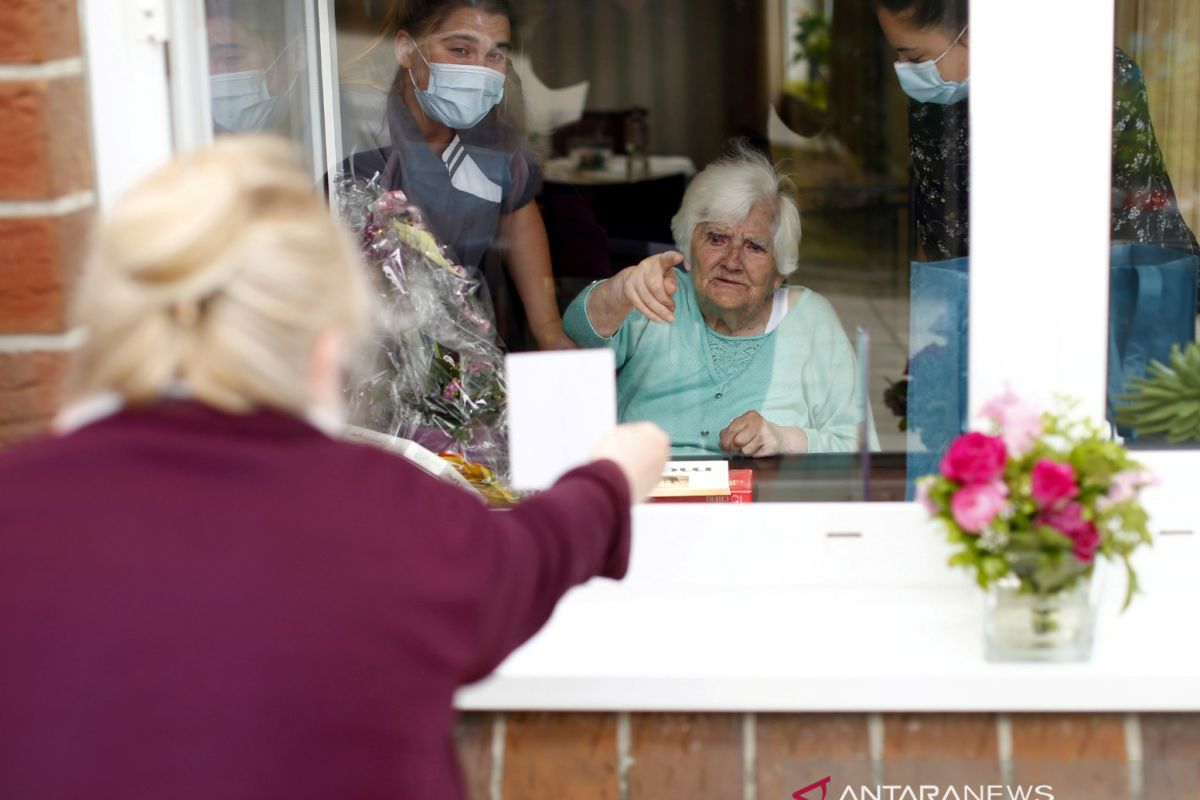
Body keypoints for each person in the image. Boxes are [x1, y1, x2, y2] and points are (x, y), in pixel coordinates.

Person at [0, 136, 668, 800]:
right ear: (325, 347)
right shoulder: (387, 514)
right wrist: (610, 480)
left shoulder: (18, 508)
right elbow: (528, 557)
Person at [563, 144, 880, 457]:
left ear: (778, 272)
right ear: (688, 247)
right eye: (717, 238)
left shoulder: (810, 320)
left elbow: (862, 451)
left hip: (754, 504)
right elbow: (575, 339)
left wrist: (784, 440)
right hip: (648, 493)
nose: (732, 261)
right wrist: (621, 290)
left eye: (754, 247)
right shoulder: (658, 293)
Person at [876, 0, 1200, 263]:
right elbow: (942, 238)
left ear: (973, 32)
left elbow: (1132, 226)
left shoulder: (1095, 78)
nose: (904, 67)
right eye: (898, 54)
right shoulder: (934, 98)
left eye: (915, 56)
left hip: (1106, 299)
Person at [345, 0, 574, 350]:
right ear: (407, 49)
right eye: (460, 50)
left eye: (495, 55)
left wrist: (548, 328)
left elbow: (516, 216)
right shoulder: (361, 134)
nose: (478, 70)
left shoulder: (494, 144)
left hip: (463, 345)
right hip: (370, 342)